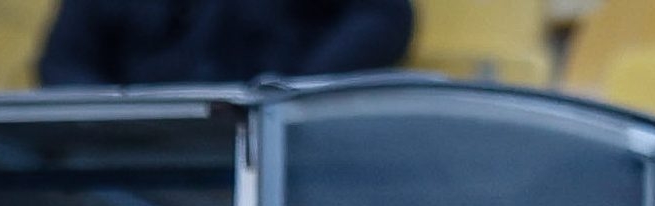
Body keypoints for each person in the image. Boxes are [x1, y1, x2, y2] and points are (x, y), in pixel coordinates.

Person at [39, 0, 414, 87]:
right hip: (144, 170)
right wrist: (125, 122)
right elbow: (63, 64)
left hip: (276, 158)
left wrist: (297, 92)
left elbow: (383, 14)